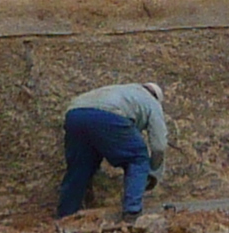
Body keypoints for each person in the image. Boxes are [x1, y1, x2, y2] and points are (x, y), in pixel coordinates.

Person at [56, 82, 170, 224]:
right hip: (109, 115)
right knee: (138, 158)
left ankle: (66, 215)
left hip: (75, 113)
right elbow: (159, 146)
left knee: (80, 166)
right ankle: (132, 212)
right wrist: (153, 170)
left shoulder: (124, 89)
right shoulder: (152, 102)